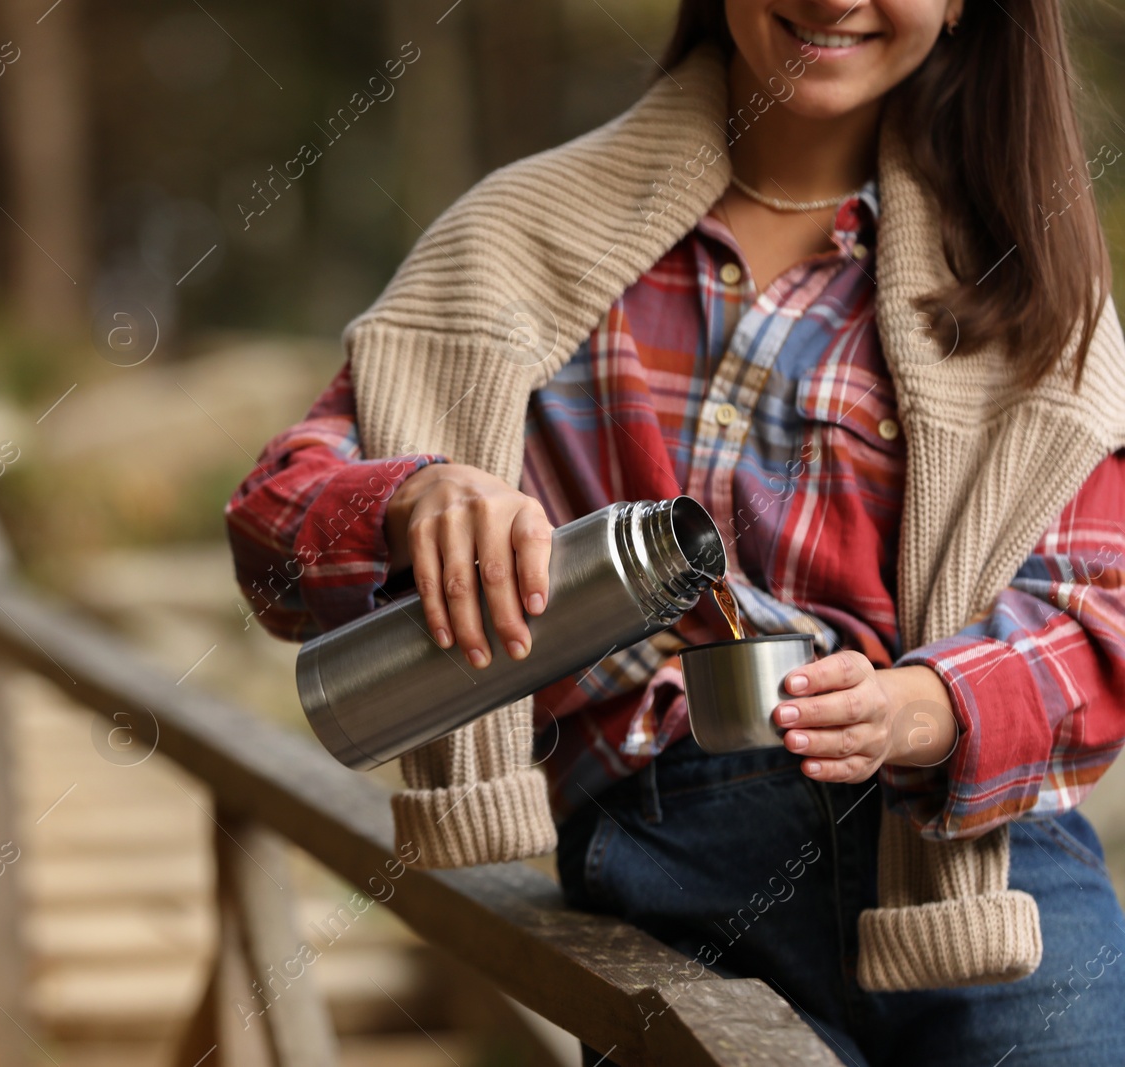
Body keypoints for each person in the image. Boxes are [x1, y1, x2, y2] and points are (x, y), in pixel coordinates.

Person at [226, 1, 1125, 1062]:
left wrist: (923, 705)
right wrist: (409, 498)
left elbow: (1097, 609)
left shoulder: (1025, 276)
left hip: (980, 875)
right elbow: (273, 545)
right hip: (665, 854)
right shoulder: (517, 238)